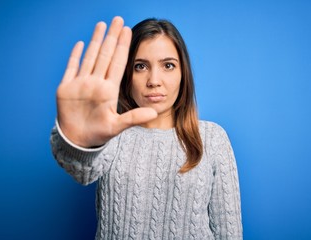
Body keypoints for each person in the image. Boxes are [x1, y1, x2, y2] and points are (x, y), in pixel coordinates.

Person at [50, 16, 243, 240]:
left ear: (183, 74)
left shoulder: (212, 137)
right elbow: (82, 172)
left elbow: (229, 232)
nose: (154, 80)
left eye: (168, 65)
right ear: (127, 76)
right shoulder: (111, 134)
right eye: (140, 66)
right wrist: (79, 142)